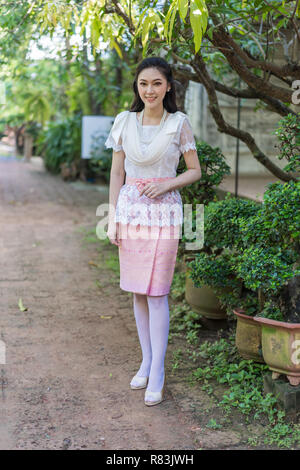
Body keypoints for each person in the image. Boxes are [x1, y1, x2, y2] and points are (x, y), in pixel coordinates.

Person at [104, 56, 201, 406]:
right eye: (144, 83)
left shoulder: (179, 124)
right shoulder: (124, 121)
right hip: (130, 211)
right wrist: (112, 218)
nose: (150, 90)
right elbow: (117, 174)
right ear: (137, 86)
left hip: (164, 214)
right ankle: (146, 361)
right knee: (138, 292)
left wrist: (166, 184)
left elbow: (195, 171)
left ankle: (157, 371)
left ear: (168, 86)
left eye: (157, 83)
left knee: (157, 292)